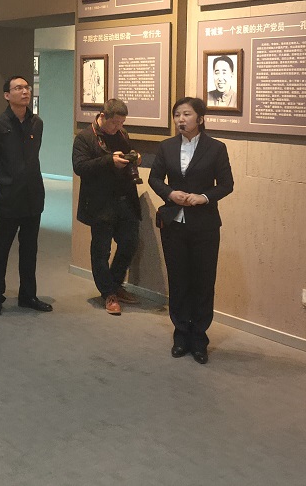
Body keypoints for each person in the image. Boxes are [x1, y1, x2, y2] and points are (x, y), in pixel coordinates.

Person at [148, 97, 234, 365]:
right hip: (174, 223)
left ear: (200, 118)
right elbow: (154, 178)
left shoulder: (216, 148)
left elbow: (227, 184)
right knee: (178, 280)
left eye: (186, 114)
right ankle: (180, 333)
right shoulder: (166, 146)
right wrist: (170, 193)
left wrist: (204, 197)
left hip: (204, 225)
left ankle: (199, 338)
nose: (180, 119)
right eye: (177, 115)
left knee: (203, 281)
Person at [0, 75, 50, 318]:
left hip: (33, 196)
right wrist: (0, 185)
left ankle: (28, 295)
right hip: (7, 197)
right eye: (18, 88)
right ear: (7, 95)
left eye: (26, 87)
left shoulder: (37, 123)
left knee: (30, 250)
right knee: (0, 249)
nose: (24, 91)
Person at [72, 98, 141, 316]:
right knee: (101, 250)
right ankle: (108, 293)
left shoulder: (122, 134)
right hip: (100, 203)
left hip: (124, 200)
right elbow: (80, 167)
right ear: (103, 116)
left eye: (122, 123)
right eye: (115, 122)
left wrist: (134, 158)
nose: (118, 127)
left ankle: (115, 283)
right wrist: (109, 161)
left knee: (129, 243)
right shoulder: (85, 137)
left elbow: (127, 155)